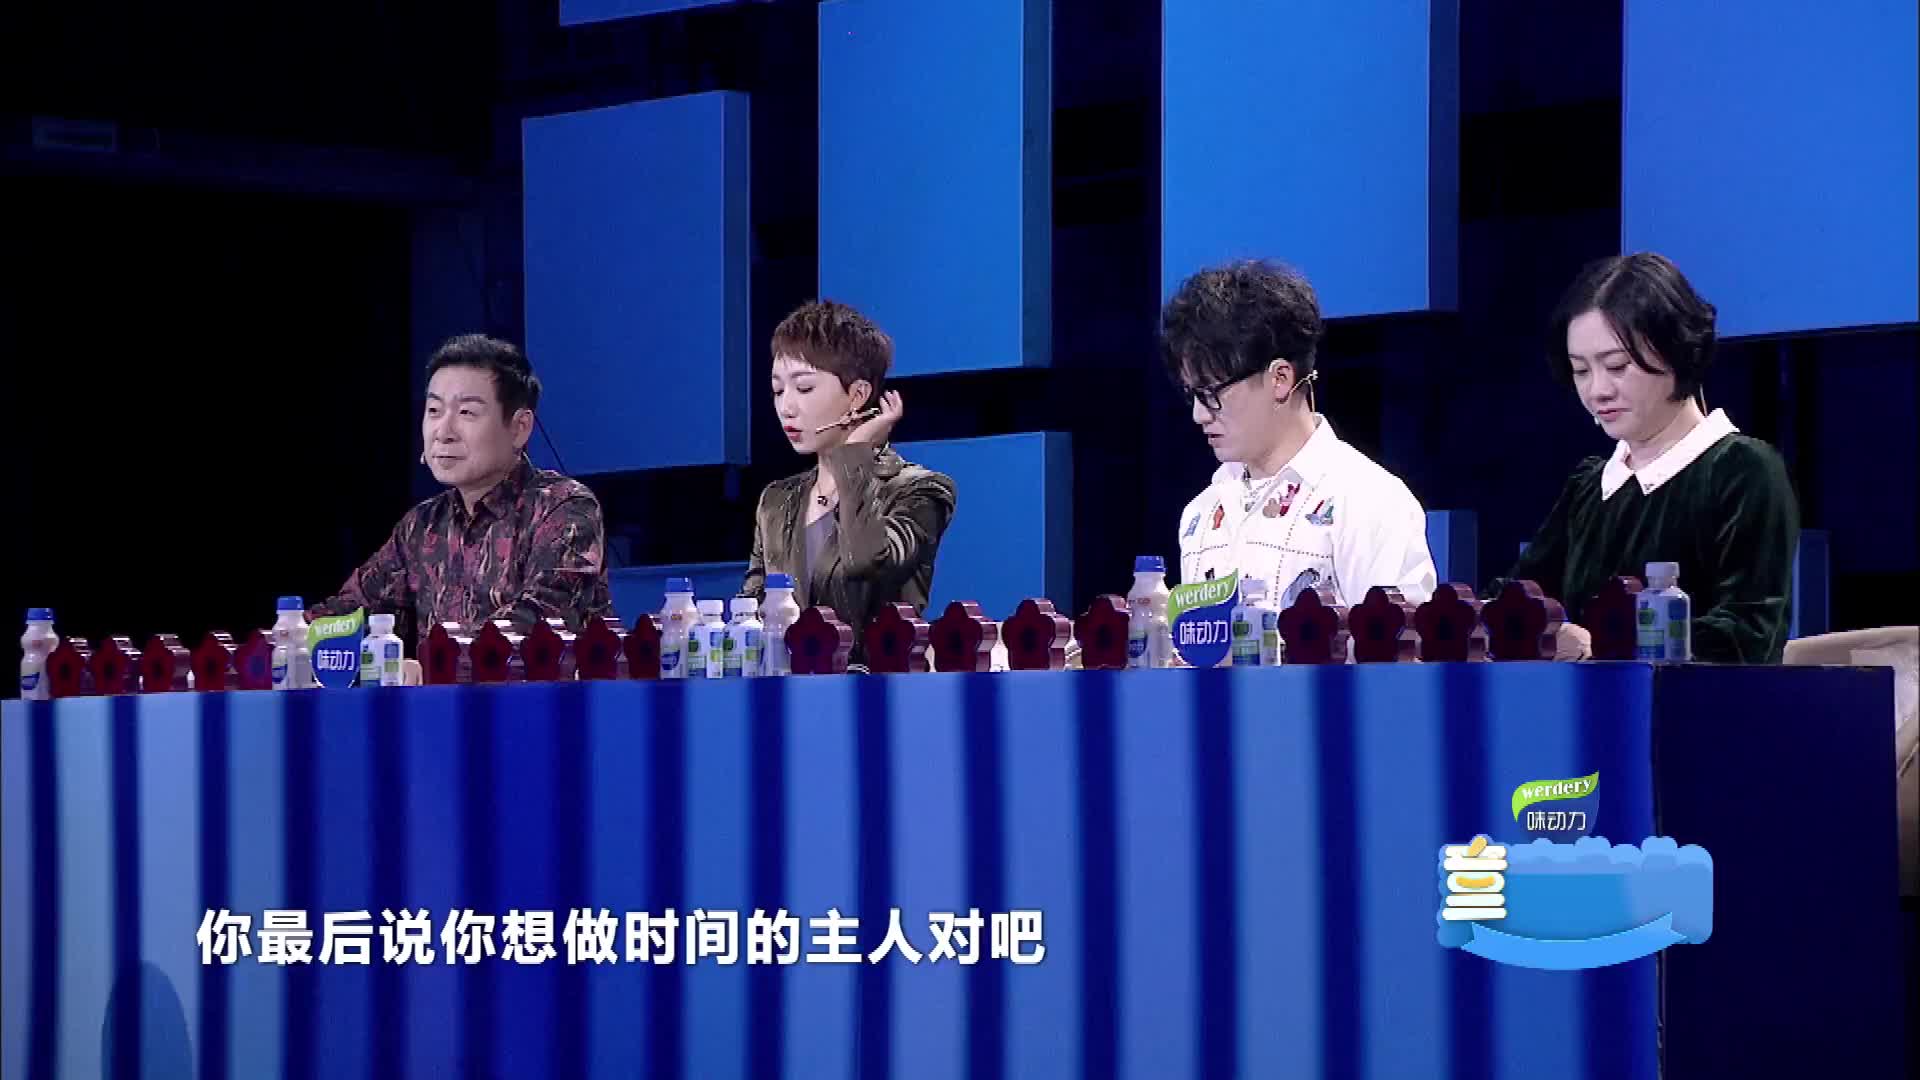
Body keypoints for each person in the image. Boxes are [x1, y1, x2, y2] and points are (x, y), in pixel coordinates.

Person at [1494, 252, 1798, 663]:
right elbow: (1517, 597)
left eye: (1617, 366)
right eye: (1581, 371)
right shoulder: (1592, 485)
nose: (1598, 391)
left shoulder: (1742, 470)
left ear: (1676, 352)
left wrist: (1603, 648)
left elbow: (1746, 635)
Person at [311, 334, 615, 649]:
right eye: (434, 410)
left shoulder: (564, 507)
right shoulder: (421, 526)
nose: (443, 432)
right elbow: (351, 611)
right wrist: (290, 636)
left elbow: (536, 622)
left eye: (466, 412)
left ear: (519, 427)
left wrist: (430, 664)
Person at [1165, 259, 1437, 607]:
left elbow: (1396, 639)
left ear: (1280, 379)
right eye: (1193, 394)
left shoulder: (1370, 502)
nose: (1199, 415)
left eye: (1212, 394)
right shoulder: (1201, 513)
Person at [741, 300, 957, 665]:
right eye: (778, 391)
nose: (786, 407)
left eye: (804, 388)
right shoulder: (776, 500)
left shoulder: (920, 490)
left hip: (875, 690)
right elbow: (752, 606)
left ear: (857, 395)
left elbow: (865, 561)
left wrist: (855, 455)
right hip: (786, 689)